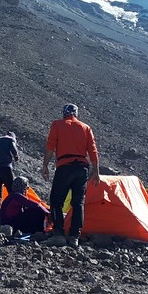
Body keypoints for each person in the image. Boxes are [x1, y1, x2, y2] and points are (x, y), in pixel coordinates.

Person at [41, 103, 99, 247]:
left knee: (56, 200)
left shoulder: (57, 125)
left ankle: (59, 233)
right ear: (76, 113)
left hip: (65, 167)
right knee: (78, 202)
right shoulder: (86, 128)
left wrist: (45, 166)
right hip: (82, 169)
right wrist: (96, 172)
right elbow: (93, 151)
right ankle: (74, 236)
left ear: (64, 113)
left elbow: (50, 147)